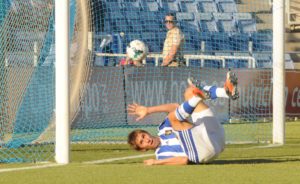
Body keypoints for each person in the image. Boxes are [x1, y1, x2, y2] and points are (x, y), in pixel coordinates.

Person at [127, 71, 239, 165]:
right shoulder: (161, 154)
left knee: (189, 92)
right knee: (173, 117)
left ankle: (225, 92)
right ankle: (201, 95)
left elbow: (175, 107)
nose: (146, 140)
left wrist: (148, 110)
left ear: (146, 132)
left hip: (215, 136)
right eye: (142, 142)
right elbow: (183, 160)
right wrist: (156, 162)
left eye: (143, 136)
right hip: (203, 152)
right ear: (143, 149)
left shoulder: (162, 129)